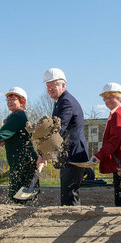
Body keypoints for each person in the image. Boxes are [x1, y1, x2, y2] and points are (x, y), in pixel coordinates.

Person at [43, 68, 89, 206]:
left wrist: (43, 153)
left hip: (74, 155)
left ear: (63, 85)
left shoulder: (66, 102)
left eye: (54, 85)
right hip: (69, 154)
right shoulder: (60, 101)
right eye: (48, 86)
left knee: (69, 195)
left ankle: (73, 224)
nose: (50, 88)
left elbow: (58, 130)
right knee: (68, 193)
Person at [90, 83, 121, 206]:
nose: (107, 100)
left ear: (120, 97)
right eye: (105, 98)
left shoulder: (119, 114)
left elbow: (114, 140)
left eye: (111, 97)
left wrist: (98, 156)